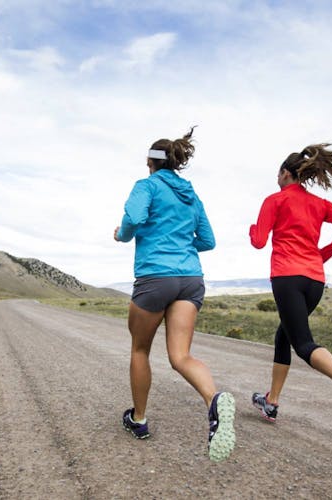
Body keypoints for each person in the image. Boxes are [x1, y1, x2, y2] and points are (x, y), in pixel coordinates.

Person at [114, 127, 236, 462]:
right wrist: (181, 242)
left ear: (150, 162)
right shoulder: (192, 196)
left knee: (140, 349)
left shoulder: (147, 186)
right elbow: (207, 241)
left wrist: (122, 234)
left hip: (156, 277)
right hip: (190, 279)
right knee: (181, 357)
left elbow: (135, 217)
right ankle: (214, 400)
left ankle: (139, 419)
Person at [248, 142, 332, 433]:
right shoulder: (320, 204)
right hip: (315, 280)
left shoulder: (275, 200)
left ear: (286, 173)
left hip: (287, 277)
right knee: (283, 335)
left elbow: (258, 241)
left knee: (303, 344)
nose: (277, 178)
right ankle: (271, 401)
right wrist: (322, 255)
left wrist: (252, 229)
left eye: (278, 173)